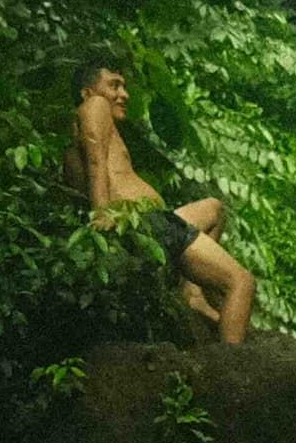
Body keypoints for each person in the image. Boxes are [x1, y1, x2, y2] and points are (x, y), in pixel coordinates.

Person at [71, 56, 256, 345]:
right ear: (88, 92)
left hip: (157, 222)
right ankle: (231, 368)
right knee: (241, 282)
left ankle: (192, 295)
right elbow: (95, 162)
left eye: (124, 86)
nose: (124, 94)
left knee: (215, 209)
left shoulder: (86, 124)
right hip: (147, 224)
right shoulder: (94, 107)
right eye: (114, 85)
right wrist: (101, 216)